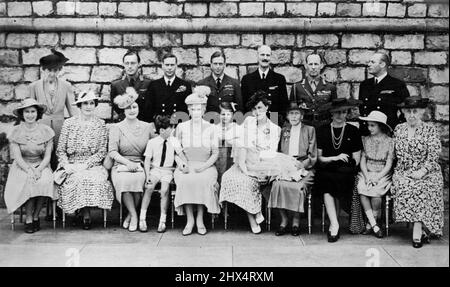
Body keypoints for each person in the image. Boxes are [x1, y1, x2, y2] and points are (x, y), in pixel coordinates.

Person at [220, 91, 281, 234]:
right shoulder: (248, 122)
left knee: (247, 182)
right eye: (254, 109)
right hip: (245, 162)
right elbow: (232, 137)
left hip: (263, 164)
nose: (257, 111)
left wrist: (255, 152)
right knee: (229, 177)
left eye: (260, 108)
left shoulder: (274, 128)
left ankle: (255, 215)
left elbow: (272, 152)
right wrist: (243, 143)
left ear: (266, 107)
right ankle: (254, 216)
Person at [56, 91, 114, 230]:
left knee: (92, 179)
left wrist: (86, 164)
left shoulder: (100, 124)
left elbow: (102, 151)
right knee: (76, 179)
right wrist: (66, 165)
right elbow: (61, 150)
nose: (88, 106)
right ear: (80, 106)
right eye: (85, 103)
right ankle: (82, 212)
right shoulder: (69, 123)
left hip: (92, 164)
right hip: (71, 163)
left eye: (91, 103)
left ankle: (86, 214)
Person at [391, 96, 444, 248]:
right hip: (405, 169)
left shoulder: (430, 129)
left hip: (428, 170)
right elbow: (394, 154)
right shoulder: (399, 129)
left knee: (424, 186)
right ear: (404, 112)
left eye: (415, 111)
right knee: (405, 184)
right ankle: (420, 230)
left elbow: (434, 154)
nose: (412, 115)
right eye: (408, 111)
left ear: (421, 112)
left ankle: (417, 228)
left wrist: (423, 171)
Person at [173, 86, 221, 236]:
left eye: (199, 109)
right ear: (188, 110)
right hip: (187, 164)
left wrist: (205, 166)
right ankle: (190, 219)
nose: (196, 112)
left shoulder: (211, 128)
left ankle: (200, 219)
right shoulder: (181, 127)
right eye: (193, 109)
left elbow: (215, 153)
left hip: (206, 166)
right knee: (186, 180)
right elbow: (175, 150)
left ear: (204, 110)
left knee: (203, 181)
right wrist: (181, 163)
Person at [4, 99, 57, 233]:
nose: (30, 115)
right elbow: (17, 156)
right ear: (22, 114)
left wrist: (39, 170)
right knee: (28, 181)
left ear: (37, 113)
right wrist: (29, 170)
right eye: (26, 112)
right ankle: (28, 218)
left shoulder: (47, 131)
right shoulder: (15, 131)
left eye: (33, 111)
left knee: (45, 180)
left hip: (41, 164)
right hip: (22, 165)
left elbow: (47, 157)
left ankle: (36, 215)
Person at [265, 102, 317, 236]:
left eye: (297, 113)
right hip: (285, 164)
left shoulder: (309, 130)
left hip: (303, 164)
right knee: (276, 185)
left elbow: (313, 155)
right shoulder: (284, 130)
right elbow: (277, 151)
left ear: (302, 115)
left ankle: (296, 220)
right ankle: (284, 220)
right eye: (291, 114)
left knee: (298, 187)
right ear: (287, 116)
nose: (294, 117)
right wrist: (282, 164)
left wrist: (303, 164)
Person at [314, 98, 362, 242]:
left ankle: (335, 223)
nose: (340, 116)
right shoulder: (322, 130)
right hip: (327, 167)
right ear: (331, 114)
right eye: (336, 113)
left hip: (346, 169)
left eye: (343, 112)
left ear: (347, 113)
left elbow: (357, 158)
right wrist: (335, 158)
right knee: (326, 180)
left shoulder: (353, 130)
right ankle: (334, 224)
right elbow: (320, 158)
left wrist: (348, 166)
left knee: (340, 178)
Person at [109, 87, 156, 232]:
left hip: (139, 164)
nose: (132, 110)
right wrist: (127, 163)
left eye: (134, 107)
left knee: (137, 181)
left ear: (139, 108)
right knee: (124, 181)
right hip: (120, 164)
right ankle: (134, 216)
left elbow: (155, 147)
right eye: (128, 108)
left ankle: (130, 215)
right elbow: (112, 152)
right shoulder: (116, 128)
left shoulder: (147, 127)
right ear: (123, 110)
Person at [28, 49, 77, 168]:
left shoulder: (66, 86)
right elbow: (30, 109)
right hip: (41, 125)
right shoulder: (34, 86)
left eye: (55, 70)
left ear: (59, 70)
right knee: (42, 153)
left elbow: (72, 109)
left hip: (60, 126)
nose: (52, 73)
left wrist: (76, 127)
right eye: (49, 70)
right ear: (43, 70)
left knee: (58, 154)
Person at [351, 111, 394, 238]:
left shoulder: (390, 141)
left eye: (372, 125)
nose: (369, 128)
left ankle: (371, 223)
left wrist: (378, 177)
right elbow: (363, 160)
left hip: (382, 173)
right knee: (362, 189)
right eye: (368, 125)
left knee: (376, 193)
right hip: (367, 172)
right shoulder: (365, 139)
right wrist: (367, 176)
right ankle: (375, 225)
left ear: (381, 126)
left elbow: (389, 164)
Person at [140, 115, 186, 233]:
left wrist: (185, 164)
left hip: (167, 170)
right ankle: (142, 218)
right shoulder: (152, 142)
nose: (172, 130)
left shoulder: (174, 141)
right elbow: (147, 161)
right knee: (149, 187)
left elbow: (181, 155)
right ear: (161, 130)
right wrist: (147, 176)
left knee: (165, 190)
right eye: (170, 128)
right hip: (155, 169)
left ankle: (162, 220)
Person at [359, 52, 410, 135]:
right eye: (369, 62)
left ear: (382, 64)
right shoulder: (365, 85)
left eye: (372, 62)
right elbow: (362, 109)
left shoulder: (397, 84)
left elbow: (406, 110)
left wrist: (398, 129)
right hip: (367, 132)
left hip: (387, 133)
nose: (368, 65)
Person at [241, 45, 289, 125]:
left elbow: (284, 105)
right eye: (262, 55)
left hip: (274, 121)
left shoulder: (279, 79)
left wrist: (278, 122)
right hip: (253, 121)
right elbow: (244, 105)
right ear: (257, 56)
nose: (265, 58)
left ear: (271, 58)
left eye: (268, 55)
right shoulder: (247, 79)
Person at [289, 53, 337, 128]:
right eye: (310, 64)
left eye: (316, 64)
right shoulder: (296, 87)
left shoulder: (330, 87)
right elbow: (293, 112)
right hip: (304, 127)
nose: (313, 67)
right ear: (306, 65)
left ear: (321, 65)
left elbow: (334, 111)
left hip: (324, 127)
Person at [144, 53, 192, 123]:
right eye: (167, 65)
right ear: (162, 66)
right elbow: (148, 109)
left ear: (176, 66)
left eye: (172, 65)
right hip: (160, 125)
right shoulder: (154, 85)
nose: (169, 68)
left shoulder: (185, 85)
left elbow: (188, 109)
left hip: (178, 124)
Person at [110, 50, 151, 122]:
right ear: (123, 64)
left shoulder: (148, 83)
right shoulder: (116, 85)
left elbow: (151, 107)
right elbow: (116, 107)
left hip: (143, 123)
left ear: (139, 64)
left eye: (133, 63)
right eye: (127, 63)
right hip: (124, 124)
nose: (129, 66)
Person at [214, 102, 240, 183]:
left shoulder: (237, 127)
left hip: (232, 158)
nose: (225, 117)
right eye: (223, 114)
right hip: (218, 158)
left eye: (228, 114)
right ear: (218, 115)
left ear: (232, 115)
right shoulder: (214, 128)